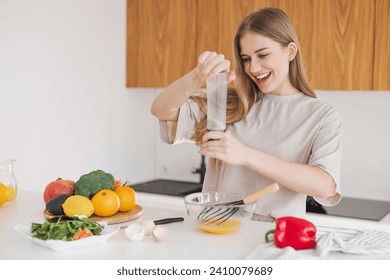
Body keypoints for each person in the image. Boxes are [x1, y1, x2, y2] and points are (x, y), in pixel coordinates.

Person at [150, 7, 342, 219]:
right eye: (246, 58)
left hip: (275, 240)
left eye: (263, 55)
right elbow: (161, 109)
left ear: (290, 52)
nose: (253, 67)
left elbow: (325, 186)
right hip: (218, 233)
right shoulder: (228, 104)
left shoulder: (320, 115)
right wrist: (197, 77)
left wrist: (245, 155)